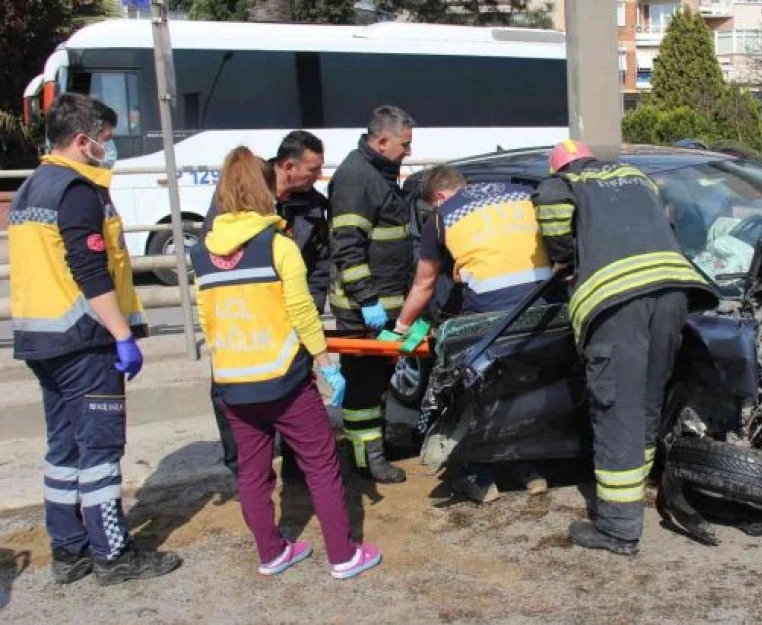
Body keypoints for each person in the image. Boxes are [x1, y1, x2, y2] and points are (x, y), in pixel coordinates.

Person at [9, 93, 181, 585]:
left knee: (63, 451)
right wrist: (123, 334)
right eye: (106, 140)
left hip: (43, 340)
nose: (110, 148)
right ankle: (114, 554)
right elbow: (89, 269)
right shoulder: (77, 189)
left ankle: (69, 551)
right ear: (83, 142)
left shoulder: (32, 187)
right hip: (84, 341)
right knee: (100, 452)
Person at [191, 146, 381, 580]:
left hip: (233, 381)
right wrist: (324, 361)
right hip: (284, 379)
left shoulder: (201, 253)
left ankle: (272, 553)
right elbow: (302, 312)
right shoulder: (278, 246)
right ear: (262, 188)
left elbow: (208, 318)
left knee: (254, 472)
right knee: (320, 464)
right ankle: (343, 555)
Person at [532, 140, 718, 555]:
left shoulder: (563, 183)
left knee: (617, 408)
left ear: (559, 165)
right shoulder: (635, 176)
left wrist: (564, 260)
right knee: (648, 401)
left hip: (618, 302)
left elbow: (552, 214)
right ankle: (636, 493)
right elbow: (678, 217)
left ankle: (618, 528)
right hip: (672, 290)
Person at [393, 165, 556, 503]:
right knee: (529, 386)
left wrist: (401, 329)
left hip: (491, 318)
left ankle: (479, 477)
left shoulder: (443, 217)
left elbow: (424, 285)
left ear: (439, 197)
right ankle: (532, 469)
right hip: (545, 311)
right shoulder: (520, 195)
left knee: (472, 395)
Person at [203, 130, 329, 482]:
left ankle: (296, 468)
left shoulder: (314, 206)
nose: (318, 176)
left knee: (294, 390)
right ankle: (242, 470)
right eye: (313, 169)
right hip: (243, 318)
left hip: (291, 317)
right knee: (231, 394)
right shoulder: (236, 197)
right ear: (288, 166)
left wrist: (310, 306)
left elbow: (319, 263)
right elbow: (213, 256)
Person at [328, 105, 416, 483]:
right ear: (382, 141)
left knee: (378, 382)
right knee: (363, 386)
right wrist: (367, 300)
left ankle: (372, 444)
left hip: (383, 304)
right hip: (362, 309)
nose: (408, 151)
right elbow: (347, 246)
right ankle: (367, 458)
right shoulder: (356, 178)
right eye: (404, 144)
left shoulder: (378, 172)